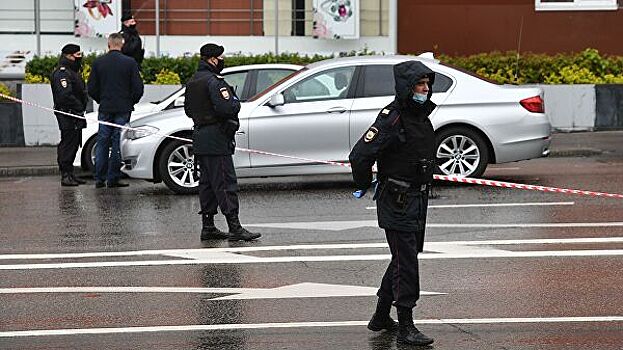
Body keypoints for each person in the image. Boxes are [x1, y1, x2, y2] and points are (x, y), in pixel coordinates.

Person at [348, 60, 437, 347]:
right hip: (397, 199)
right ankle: (406, 325)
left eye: (427, 84)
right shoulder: (392, 118)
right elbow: (360, 155)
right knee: (406, 262)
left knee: (404, 258)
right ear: (406, 88)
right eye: (420, 85)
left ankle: (381, 316)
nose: (425, 89)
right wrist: (363, 185)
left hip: (417, 197)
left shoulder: (420, 115)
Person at [184, 43, 260, 242]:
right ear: (212, 59)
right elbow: (227, 108)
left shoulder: (193, 81)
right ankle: (235, 227)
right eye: (221, 57)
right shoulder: (214, 82)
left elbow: (188, 111)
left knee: (207, 184)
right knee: (225, 183)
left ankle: (208, 227)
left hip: (200, 137)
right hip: (216, 138)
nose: (223, 60)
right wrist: (235, 103)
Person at [87, 33, 144, 188]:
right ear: (122, 44)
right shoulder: (130, 63)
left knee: (102, 141)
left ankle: (99, 177)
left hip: (105, 107)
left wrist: (101, 100)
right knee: (118, 141)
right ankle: (113, 177)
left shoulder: (99, 63)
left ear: (109, 44)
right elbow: (138, 87)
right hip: (123, 108)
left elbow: (91, 88)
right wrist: (131, 101)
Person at [50, 43, 88, 187]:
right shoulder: (62, 73)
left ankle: (70, 174)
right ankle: (65, 175)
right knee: (68, 143)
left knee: (74, 143)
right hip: (68, 114)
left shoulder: (73, 71)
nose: (80, 58)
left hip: (75, 114)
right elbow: (65, 96)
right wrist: (78, 107)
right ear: (68, 56)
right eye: (77, 55)